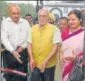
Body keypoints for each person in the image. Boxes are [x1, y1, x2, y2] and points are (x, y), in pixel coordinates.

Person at [27, 8, 61, 81]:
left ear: (48, 17)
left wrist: (46, 60)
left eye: (44, 16)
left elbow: (55, 47)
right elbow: (29, 44)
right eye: (40, 16)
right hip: (35, 63)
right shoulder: (32, 28)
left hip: (49, 64)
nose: (41, 18)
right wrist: (31, 58)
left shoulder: (55, 29)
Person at [1, 3, 31, 81]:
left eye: (18, 13)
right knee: (9, 76)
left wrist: (22, 46)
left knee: (22, 76)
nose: (16, 16)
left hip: (22, 53)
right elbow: (4, 39)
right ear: (9, 13)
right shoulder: (5, 23)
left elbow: (29, 38)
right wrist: (12, 51)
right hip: (9, 54)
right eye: (14, 13)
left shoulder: (25, 23)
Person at [61, 9, 84, 81]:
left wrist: (77, 58)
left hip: (79, 67)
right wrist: (61, 55)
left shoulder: (83, 33)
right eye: (69, 20)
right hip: (64, 65)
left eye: (73, 19)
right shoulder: (65, 33)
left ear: (80, 19)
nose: (71, 22)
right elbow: (60, 48)